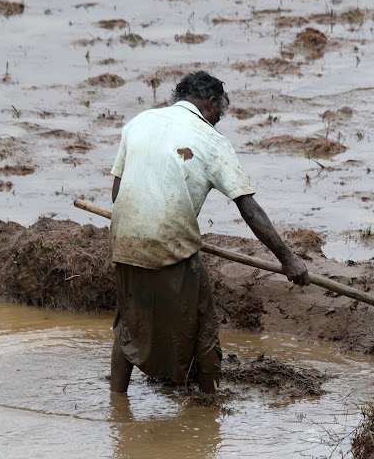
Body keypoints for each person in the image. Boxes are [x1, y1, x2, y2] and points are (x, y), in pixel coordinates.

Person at [108, 71, 310, 394]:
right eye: (219, 114)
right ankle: (209, 407)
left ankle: (117, 401)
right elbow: (250, 210)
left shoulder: (139, 122)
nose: (217, 122)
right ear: (211, 103)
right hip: (169, 245)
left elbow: (116, 195)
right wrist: (289, 260)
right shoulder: (212, 141)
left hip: (122, 244)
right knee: (204, 327)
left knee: (128, 323)